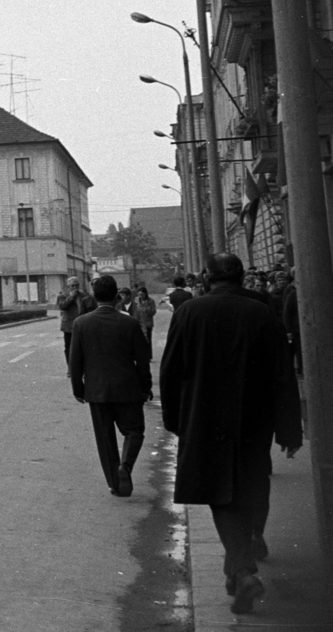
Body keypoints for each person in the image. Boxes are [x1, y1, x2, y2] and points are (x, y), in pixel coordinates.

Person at [160, 253, 301, 615]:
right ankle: (242, 560)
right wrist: (289, 429)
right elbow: (282, 373)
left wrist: (176, 420)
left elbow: (171, 370)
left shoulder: (189, 312)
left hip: (204, 417)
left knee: (219, 493)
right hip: (254, 418)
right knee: (252, 481)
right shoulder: (261, 312)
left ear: (208, 277)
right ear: (240, 276)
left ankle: (240, 570)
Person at [69, 275, 152, 497]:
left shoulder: (81, 323)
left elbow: (75, 361)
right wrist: (146, 387)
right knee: (134, 431)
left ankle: (116, 484)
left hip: (97, 391)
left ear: (94, 297)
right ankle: (125, 465)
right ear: (117, 297)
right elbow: (142, 360)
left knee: (105, 440)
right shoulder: (130, 323)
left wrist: (78, 389)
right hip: (128, 388)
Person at [55, 276, 90, 364]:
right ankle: (70, 368)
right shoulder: (62, 296)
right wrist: (71, 297)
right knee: (69, 347)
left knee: (82, 347)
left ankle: (81, 367)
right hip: (68, 326)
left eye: (77, 285)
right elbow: (62, 306)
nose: (75, 288)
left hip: (82, 325)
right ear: (68, 287)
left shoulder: (84, 296)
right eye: (72, 286)